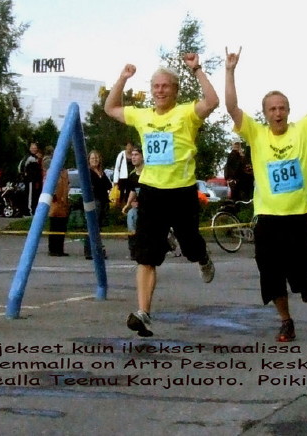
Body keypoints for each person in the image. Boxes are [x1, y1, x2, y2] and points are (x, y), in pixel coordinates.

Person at [225, 44, 307, 342]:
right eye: (272, 108)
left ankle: (305, 281)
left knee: (298, 273)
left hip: (299, 215)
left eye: (282, 108)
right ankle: (285, 321)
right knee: (269, 271)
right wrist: (229, 71)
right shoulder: (256, 133)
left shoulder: (303, 129)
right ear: (265, 113)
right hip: (267, 216)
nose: (277, 112)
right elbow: (231, 107)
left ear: (288, 111)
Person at [104, 53, 219, 338]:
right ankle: (143, 313)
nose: (160, 90)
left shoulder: (186, 113)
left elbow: (212, 102)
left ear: (175, 90)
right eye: (155, 86)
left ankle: (202, 257)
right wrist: (123, 78)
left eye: (165, 86)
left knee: (190, 246)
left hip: (182, 192)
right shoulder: (142, 115)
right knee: (146, 256)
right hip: (152, 193)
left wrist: (197, 69)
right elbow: (111, 107)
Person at [83, 150, 112, 259]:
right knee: (92, 226)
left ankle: (97, 250)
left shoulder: (102, 172)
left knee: (98, 227)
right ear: (88, 160)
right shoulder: (88, 173)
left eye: (96, 158)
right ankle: (89, 251)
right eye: (92, 158)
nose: (95, 160)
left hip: (102, 201)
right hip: (93, 202)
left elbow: (109, 185)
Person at [48, 167, 70, 257]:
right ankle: (53, 249)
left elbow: (67, 185)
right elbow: (49, 184)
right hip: (55, 202)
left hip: (63, 203)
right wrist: (54, 196)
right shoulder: (52, 171)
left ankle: (60, 249)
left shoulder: (65, 172)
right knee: (54, 226)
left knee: (62, 227)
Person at [22, 142, 43, 216]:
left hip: (35, 181)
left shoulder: (35, 158)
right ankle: (29, 211)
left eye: (35, 148)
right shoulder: (29, 158)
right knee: (30, 196)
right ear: (30, 149)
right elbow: (21, 167)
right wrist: (25, 174)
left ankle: (32, 210)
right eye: (32, 148)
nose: (34, 149)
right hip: (30, 180)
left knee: (33, 195)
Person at [113, 141, 134, 206]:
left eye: (131, 146)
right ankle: (119, 206)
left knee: (129, 193)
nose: (129, 148)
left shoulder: (134, 154)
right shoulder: (121, 155)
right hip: (122, 177)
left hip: (131, 178)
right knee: (121, 193)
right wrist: (115, 180)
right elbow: (117, 168)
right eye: (128, 146)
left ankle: (127, 205)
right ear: (126, 147)